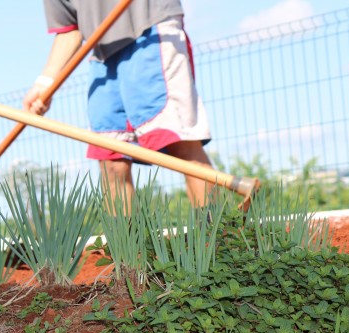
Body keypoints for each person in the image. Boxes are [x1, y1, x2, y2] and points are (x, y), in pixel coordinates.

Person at [24, 0, 215, 209]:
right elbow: (70, 30)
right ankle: (126, 241)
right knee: (110, 159)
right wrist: (45, 82)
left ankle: (217, 235)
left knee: (178, 141)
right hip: (102, 54)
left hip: (151, 29)